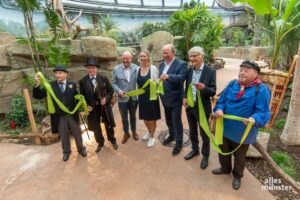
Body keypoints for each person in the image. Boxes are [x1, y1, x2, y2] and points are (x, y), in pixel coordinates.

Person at [212, 60, 271, 190]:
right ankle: (225, 169)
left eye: (246, 70)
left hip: (243, 132)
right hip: (225, 128)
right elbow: (221, 101)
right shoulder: (233, 84)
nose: (242, 73)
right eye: (241, 70)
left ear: (255, 73)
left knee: (239, 157)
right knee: (223, 151)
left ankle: (237, 176)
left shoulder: (261, 90)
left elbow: (263, 112)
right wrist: (219, 109)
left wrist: (254, 118)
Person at [33, 66, 87, 161]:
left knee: (77, 132)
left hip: (72, 114)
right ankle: (66, 152)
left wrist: (82, 103)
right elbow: (38, 95)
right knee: (63, 134)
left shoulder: (72, 84)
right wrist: (37, 84)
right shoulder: (51, 86)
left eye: (60, 73)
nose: (58, 75)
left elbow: (76, 96)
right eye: (56, 73)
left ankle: (81, 149)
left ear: (66, 74)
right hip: (60, 115)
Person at [182, 46, 216, 169]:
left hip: (203, 108)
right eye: (191, 56)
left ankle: (205, 155)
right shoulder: (189, 71)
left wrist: (204, 88)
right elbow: (187, 87)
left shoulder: (210, 71)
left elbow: (213, 91)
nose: (192, 58)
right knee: (192, 131)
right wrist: (185, 97)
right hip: (190, 107)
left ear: (202, 56)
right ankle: (195, 150)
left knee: (204, 133)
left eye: (195, 56)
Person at [79, 57, 118, 153]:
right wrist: (86, 105)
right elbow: (82, 96)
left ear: (96, 68)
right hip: (92, 108)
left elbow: (110, 91)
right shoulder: (83, 81)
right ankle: (100, 142)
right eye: (89, 68)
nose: (91, 70)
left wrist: (106, 99)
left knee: (108, 124)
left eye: (93, 68)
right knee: (96, 127)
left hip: (104, 107)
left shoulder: (103, 78)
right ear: (87, 69)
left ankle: (112, 140)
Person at [159, 44, 187, 156]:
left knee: (176, 121)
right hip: (165, 98)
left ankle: (179, 143)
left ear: (173, 53)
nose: (164, 55)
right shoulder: (161, 65)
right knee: (168, 120)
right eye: (163, 53)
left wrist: (168, 76)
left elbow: (182, 78)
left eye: (167, 53)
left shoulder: (181, 64)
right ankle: (172, 135)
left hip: (175, 99)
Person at [111, 51, 139, 144]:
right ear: (122, 59)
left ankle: (134, 131)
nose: (125, 60)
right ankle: (126, 133)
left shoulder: (136, 68)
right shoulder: (116, 69)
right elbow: (113, 83)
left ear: (131, 59)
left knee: (133, 116)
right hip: (122, 99)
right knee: (124, 118)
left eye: (128, 58)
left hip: (133, 98)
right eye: (124, 58)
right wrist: (119, 91)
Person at [137, 50, 161, 147]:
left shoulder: (153, 68)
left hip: (151, 97)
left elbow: (157, 82)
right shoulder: (137, 69)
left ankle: (152, 136)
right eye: (141, 56)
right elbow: (137, 84)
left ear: (148, 57)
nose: (142, 58)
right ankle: (149, 131)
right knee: (145, 118)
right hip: (142, 97)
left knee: (151, 119)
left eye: (144, 56)